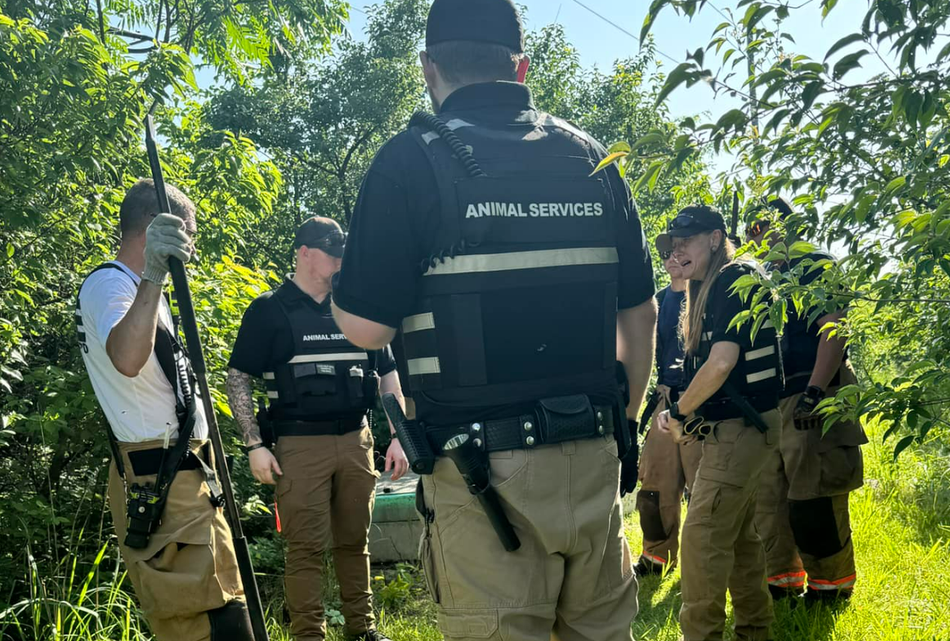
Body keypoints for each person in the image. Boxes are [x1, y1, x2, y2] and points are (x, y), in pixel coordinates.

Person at [329, 0, 657, 638]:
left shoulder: (407, 161)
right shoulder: (592, 160)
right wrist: (627, 423)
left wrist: (344, 288)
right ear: (522, 67)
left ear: (428, 68)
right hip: (593, 451)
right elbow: (640, 315)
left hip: (480, 474)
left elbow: (367, 331)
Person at [76, 179, 255, 641]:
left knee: (224, 611)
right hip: (159, 479)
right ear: (155, 230)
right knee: (198, 624)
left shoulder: (143, 290)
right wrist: (155, 272)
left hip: (184, 475)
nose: (189, 248)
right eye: (186, 235)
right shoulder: (109, 284)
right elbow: (127, 358)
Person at [224, 217, 407, 641]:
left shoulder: (357, 306)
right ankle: (309, 635)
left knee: (354, 543)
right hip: (299, 445)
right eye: (332, 251)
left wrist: (399, 436)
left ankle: (362, 632)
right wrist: (254, 444)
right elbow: (238, 378)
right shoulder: (269, 309)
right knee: (305, 549)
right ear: (304, 253)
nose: (341, 259)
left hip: (357, 440)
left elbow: (389, 374)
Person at [653, 206, 784, 641]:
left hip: (742, 433)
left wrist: (682, 412)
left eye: (686, 241)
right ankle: (755, 631)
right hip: (741, 429)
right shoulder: (713, 285)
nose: (678, 251)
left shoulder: (732, 277)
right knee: (742, 541)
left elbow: (722, 362)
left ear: (714, 238)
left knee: (702, 540)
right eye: (673, 246)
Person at [746, 198, 868, 602]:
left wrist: (815, 393)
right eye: (750, 229)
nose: (754, 236)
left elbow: (833, 329)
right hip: (770, 402)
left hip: (813, 394)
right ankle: (781, 584)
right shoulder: (762, 278)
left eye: (760, 226)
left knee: (812, 499)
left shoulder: (813, 263)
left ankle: (830, 588)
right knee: (769, 501)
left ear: (783, 225)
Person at [634, 247, 703, 576]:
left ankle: (705, 562)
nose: (672, 258)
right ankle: (656, 557)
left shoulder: (707, 295)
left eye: (680, 251)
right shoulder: (658, 302)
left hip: (701, 404)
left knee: (705, 488)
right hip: (665, 401)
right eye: (666, 252)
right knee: (654, 483)